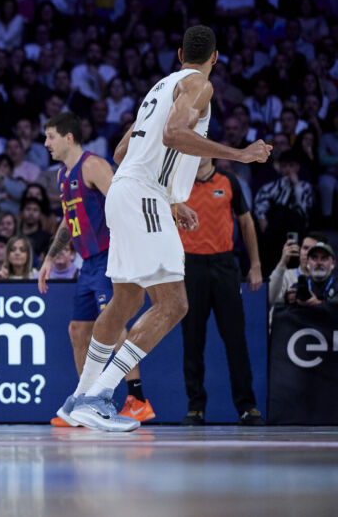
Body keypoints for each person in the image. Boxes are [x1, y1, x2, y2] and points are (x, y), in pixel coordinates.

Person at [64, 25, 271, 432]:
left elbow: (122, 151)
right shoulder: (199, 85)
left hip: (126, 192)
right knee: (173, 303)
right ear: (215, 57)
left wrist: (173, 200)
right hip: (144, 196)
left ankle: (80, 398)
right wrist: (240, 154)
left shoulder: (158, 89)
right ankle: (98, 396)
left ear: (179, 54)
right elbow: (174, 134)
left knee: (125, 301)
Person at [38, 111, 154, 427]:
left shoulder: (93, 165)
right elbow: (69, 220)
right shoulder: (63, 175)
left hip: (109, 257)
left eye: (50, 136)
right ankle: (84, 402)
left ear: (69, 137)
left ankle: (137, 399)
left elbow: (123, 202)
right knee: (78, 330)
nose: (46, 143)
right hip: (88, 263)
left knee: (111, 325)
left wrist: (132, 248)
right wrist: (49, 258)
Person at [178, 156, 265, 426]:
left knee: (235, 338)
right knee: (192, 340)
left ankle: (247, 406)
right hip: (189, 266)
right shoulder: (177, 184)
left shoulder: (229, 182)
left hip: (224, 265)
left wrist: (255, 264)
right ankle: (195, 408)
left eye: (203, 146)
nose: (198, 153)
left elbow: (246, 222)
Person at [268, 231, 327, 305]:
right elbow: (269, 299)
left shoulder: (328, 279)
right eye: (305, 248)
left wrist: (318, 303)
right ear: (300, 250)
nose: (307, 253)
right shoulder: (285, 275)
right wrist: (282, 263)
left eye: (313, 250)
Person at [283, 241, 336, 305]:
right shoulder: (298, 287)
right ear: (307, 263)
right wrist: (288, 298)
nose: (319, 263)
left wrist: (318, 303)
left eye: (324, 258)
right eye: (314, 258)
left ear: (333, 264)